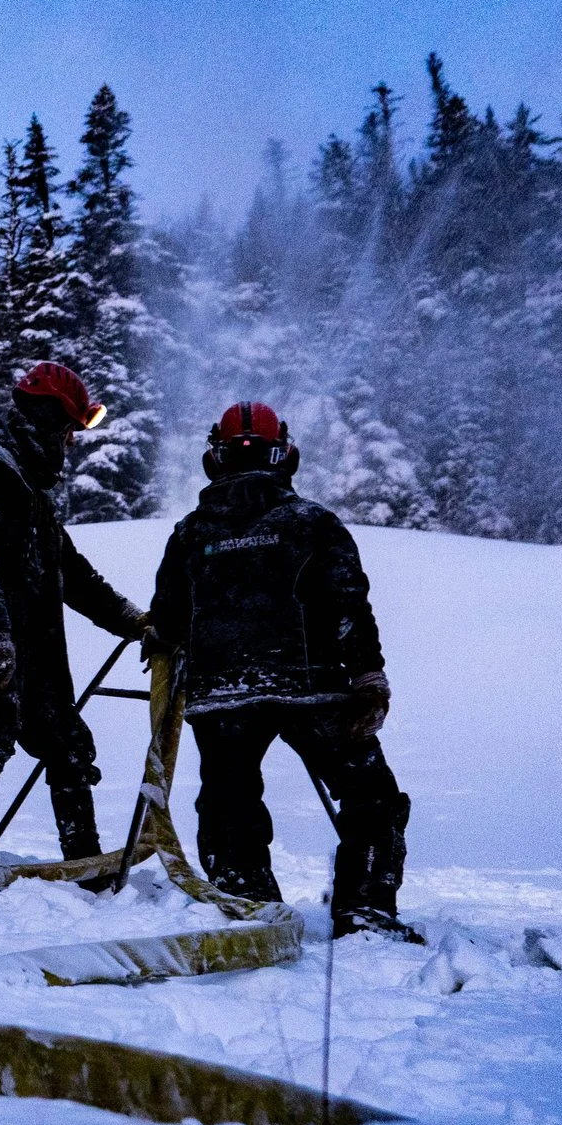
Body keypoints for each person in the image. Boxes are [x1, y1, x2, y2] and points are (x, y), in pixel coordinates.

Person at [146, 401, 421, 941]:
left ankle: (245, 902)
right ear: (284, 456)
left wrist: (161, 636)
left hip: (221, 694)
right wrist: (368, 677)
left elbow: (170, 619)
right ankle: (365, 909)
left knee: (229, 802)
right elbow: (349, 605)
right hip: (313, 689)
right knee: (371, 796)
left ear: (215, 459)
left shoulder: (190, 533)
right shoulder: (313, 523)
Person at [0, 361, 147, 866]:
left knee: (67, 744)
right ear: (50, 419)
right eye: (69, 430)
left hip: (28, 646)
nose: (71, 443)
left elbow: (72, 572)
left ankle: (83, 863)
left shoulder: (26, 485)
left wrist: (132, 620)